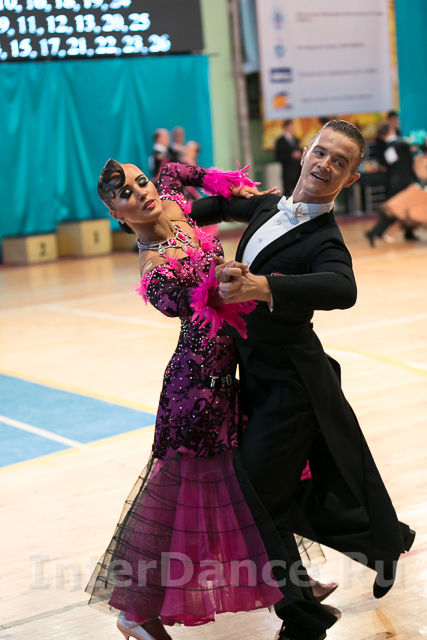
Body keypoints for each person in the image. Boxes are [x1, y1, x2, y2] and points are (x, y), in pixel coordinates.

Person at [187, 120, 415, 640]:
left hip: (294, 388)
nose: (325, 164)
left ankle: (304, 618)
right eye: (322, 152)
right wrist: (161, 221)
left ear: (351, 178)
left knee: (250, 499)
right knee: (279, 495)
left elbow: (342, 288)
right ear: (306, 152)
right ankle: (379, 541)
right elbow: (216, 207)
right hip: (258, 379)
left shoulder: (324, 238)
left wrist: (263, 285)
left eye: (340, 161)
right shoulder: (268, 206)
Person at [85, 160, 294, 639]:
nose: (141, 193)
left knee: (254, 479)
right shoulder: (154, 271)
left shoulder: (176, 204)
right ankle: (135, 610)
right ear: (116, 215)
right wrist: (243, 279)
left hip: (230, 372)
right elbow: (201, 300)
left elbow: (174, 168)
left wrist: (229, 184)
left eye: (140, 182)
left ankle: (290, 587)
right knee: (176, 500)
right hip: (195, 389)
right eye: (125, 194)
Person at [275, 120, 302, 197]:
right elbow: (279, 156)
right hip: (287, 172)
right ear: (286, 127)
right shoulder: (280, 141)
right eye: (291, 126)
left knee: (298, 192)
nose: (293, 128)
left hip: (297, 171)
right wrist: (291, 156)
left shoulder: (296, 139)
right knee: (287, 192)